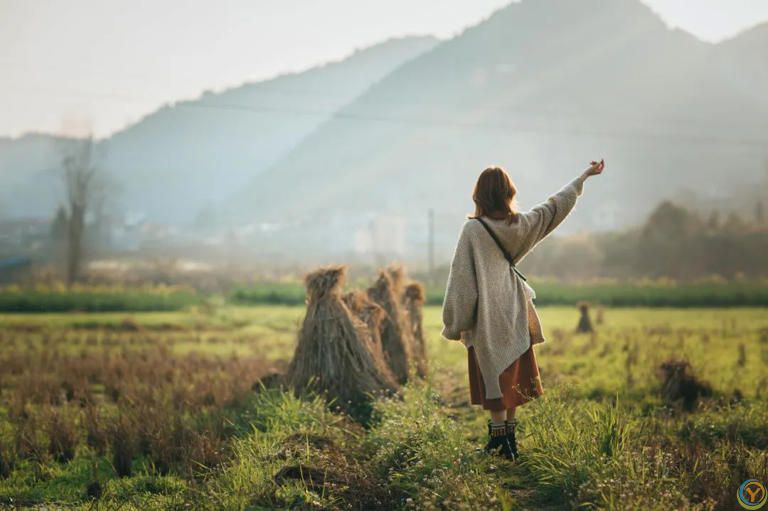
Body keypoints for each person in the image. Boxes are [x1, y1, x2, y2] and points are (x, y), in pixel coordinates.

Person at [441, 159, 605, 460]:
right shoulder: (521, 225)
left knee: (493, 374)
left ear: (479, 195)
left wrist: (455, 323)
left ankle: (498, 441)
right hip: (516, 307)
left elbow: (462, 280)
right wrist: (583, 177)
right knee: (512, 373)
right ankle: (510, 440)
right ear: (508, 192)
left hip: (488, 313)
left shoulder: (473, 230)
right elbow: (554, 207)